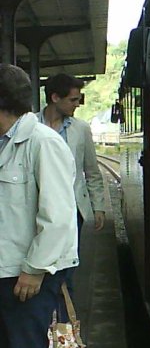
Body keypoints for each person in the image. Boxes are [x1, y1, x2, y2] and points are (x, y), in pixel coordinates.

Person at [0, 64, 89, 348]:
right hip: (4, 271)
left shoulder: (42, 143)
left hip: (31, 273)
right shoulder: (5, 144)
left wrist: (34, 271)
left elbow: (58, 218)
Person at [39, 74, 107, 259]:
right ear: (55, 98)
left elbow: (91, 171)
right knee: (42, 258)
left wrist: (98, 206)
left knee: (68, 262)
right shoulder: (31, 125)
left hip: (71, 208)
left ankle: (66, 288)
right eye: (73, 100)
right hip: (38, 206)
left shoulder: (81, 129)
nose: (77, 104)